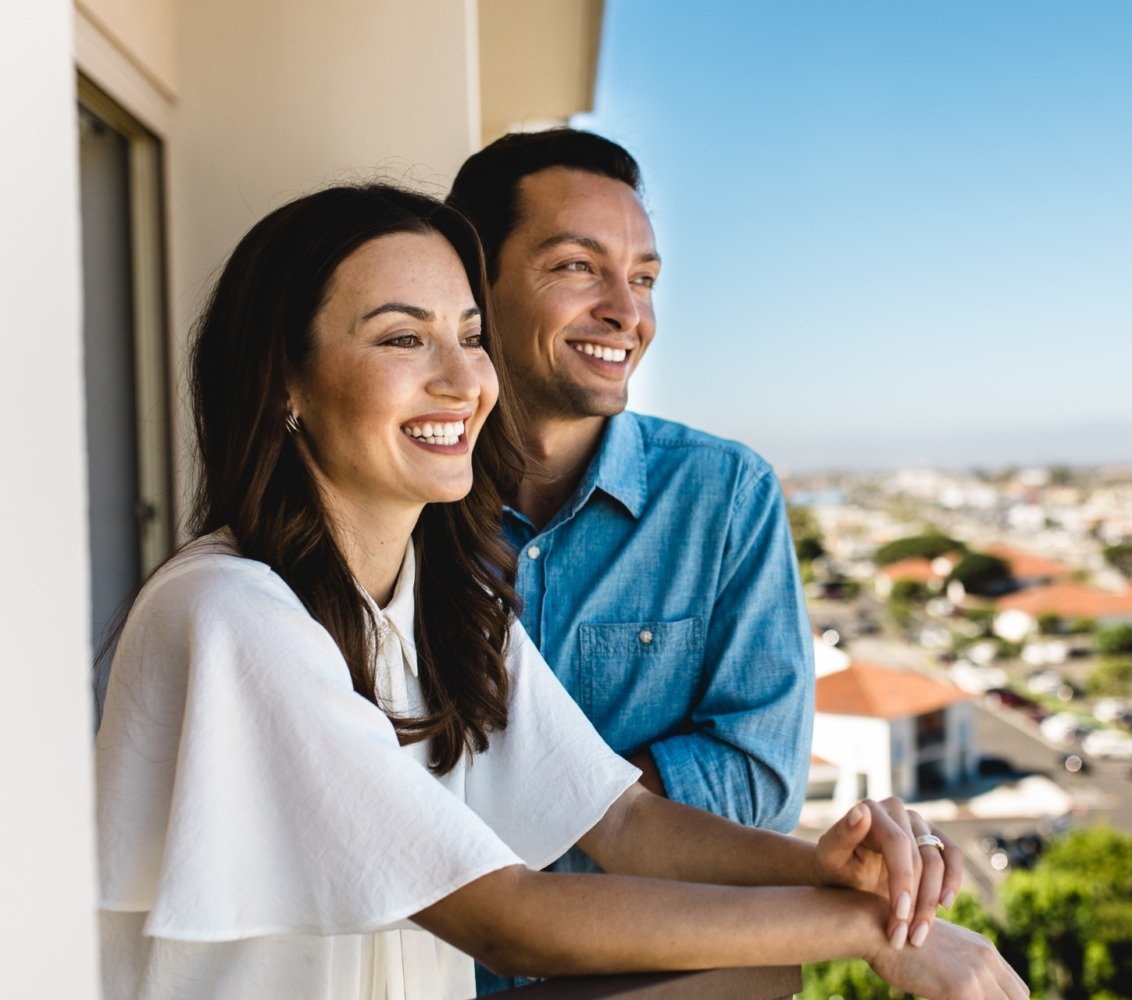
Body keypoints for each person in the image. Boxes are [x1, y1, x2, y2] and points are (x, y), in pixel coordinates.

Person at [94, 183, 1029, 1000]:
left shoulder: (442, 603)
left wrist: (837, 874)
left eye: (469, 336)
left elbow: (617, 817)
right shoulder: (228, 613)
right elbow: (510, 917)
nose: (464, 380)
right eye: (402, 338)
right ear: (285, 381)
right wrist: (877, 933)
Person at [446, 129, 813, 840]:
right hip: (430, 957)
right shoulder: (404, 504)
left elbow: (761, 778)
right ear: (473, 285)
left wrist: (517, 816)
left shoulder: (727, 494)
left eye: (643, 278)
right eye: (578, 266)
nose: (628, 313)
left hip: (645, 954)